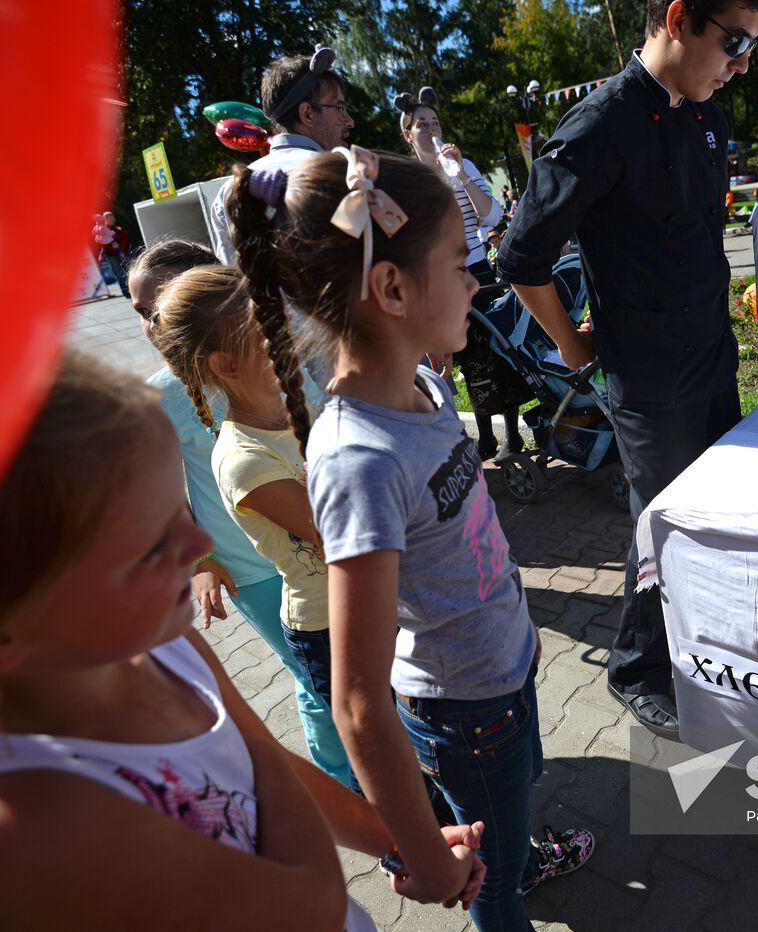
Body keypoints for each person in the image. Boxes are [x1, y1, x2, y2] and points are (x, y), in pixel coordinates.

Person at [0, 352, 487, 931]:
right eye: (146, 548)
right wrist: (264, 760)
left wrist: (407, 842)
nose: (197, 549)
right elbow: (310, 901)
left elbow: (267, 774)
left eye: (179, 512)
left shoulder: (164, 651)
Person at [225, 147, 594, 930]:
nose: (475, 280)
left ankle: (522, 853)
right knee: (486, 873)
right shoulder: (358, 458)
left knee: (510, 808)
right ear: (392, 287)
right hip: (466, 709)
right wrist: (424, 854)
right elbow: (359, 702)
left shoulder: (424, 387)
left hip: (504, 666)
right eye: (460, 262)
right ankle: (508, 888)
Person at [495, 0, 758, 739]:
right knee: (662, 527)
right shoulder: (597, 125)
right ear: (679, 19)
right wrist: (571, 343)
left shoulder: (708, 118)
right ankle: (636, 667)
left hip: (713, 354)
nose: (743, 64)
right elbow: (521, 259)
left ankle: (706, 644)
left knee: (717, 509)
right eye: (736, 42)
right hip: (647, 377)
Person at [126, 242, 354, 791]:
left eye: (161, 304)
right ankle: (347, 785)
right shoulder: (156, 399)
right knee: (317, 680)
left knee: (357, 666)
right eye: (141, 313)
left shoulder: (270, 359)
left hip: (323, 547)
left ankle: (393, 766)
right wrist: (200, 560)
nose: (154, 324)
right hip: (249, 567)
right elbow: (152, 492)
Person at [397, 86, 528, 462]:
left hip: (475, 266)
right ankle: (485, 436)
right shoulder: (407, 180)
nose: (431, 129)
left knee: (497, 346)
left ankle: (512, 435)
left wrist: (462, 176)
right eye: (421, 124)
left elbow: (491, 217)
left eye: (435, 122)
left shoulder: (462, 166)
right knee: (466, 355)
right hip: (438, 277)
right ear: (408, 135)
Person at [209, 46, 356, 264]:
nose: (349, 121)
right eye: (340, 108)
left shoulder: (228, 190)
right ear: (307, 114)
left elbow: (233, 283)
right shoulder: (341, 172)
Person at [92, 211, 131, 298]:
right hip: (111, 256)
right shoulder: (101, 230)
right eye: (109, 217)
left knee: (129, 271)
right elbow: (100, 243)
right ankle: (126, 292)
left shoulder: (118, 229)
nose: (112, 219)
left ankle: (133, 289)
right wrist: (102, 254)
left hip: (122, 253)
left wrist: (119, 244)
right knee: (119, 274)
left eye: (112, 217)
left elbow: (125, 240)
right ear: (105, 219)